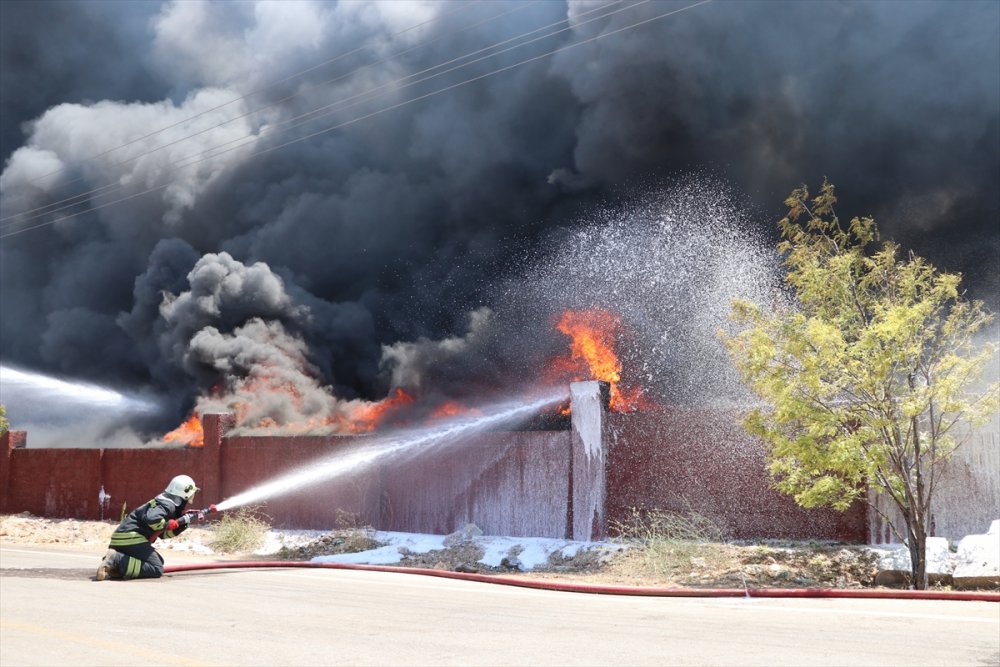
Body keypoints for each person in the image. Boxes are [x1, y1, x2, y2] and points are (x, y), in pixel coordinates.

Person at [95, 474, 203, 581]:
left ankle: (117, 567)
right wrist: (169, 524)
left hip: (122, 539)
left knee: (159, 561)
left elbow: (162, 533)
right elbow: (152, 519)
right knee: (156, 568)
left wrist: (181, 524)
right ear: (184, 494)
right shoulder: (167, 505)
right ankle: (116, 560)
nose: (190, 498)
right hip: (131, 538)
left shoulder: (163, 502)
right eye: (190, 495)